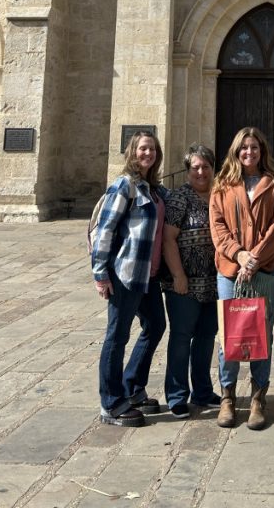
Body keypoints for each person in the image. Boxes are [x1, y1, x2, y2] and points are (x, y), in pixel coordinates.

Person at [209, 126, 274, 430]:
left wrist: (254, 258)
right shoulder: (222, 186)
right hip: (231, 269)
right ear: (235, 151)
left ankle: (258, 398)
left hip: (265, 268)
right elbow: (217, 227)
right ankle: (227, 397)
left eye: (254, 148)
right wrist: (239, 254)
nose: (249, 153)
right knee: (229, 333)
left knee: (262, 333)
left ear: (262, 151)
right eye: (244, 148)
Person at [92, 130, 168, 426]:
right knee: (117, 336)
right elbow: (105, 230)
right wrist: (100, 273)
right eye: (142, 149)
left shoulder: (152, 188)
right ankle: (111, 403)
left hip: (147, 276)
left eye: (152, 149)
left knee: (155, 325)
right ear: (132, 152)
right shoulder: (124, 186)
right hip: (125, 274)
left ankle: (133, 387)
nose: (147, 154)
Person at [161, 143, 220, 417]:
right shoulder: (179, 198)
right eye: (195, 167)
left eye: (205, 166)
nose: (200, 171)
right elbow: (168, 238)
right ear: (187, 171)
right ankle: (176, 396)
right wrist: (178, 275)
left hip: (213, 283)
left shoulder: (219, 195)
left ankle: (203, 392)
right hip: (184, 283)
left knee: (207, 337)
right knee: (182, 337)